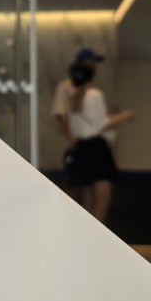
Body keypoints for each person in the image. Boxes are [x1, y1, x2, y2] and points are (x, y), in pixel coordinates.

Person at [65, 60, 134, 223]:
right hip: (95, 148)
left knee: (87, 200)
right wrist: (125, 116)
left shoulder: (74, 97)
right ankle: (95, 235)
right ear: (92, 78)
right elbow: (101, 124)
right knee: (102, 199)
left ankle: (83, 233)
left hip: (81, 149)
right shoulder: (93, 95)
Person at [51, 48, 105, 196]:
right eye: (92, 62)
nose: (95, 66)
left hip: (87, 143)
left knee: (88, 187)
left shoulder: (91, 88)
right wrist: (71, 139)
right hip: (74, 143)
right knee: (75, 185)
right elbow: (61, 114)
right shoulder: (66, 87)